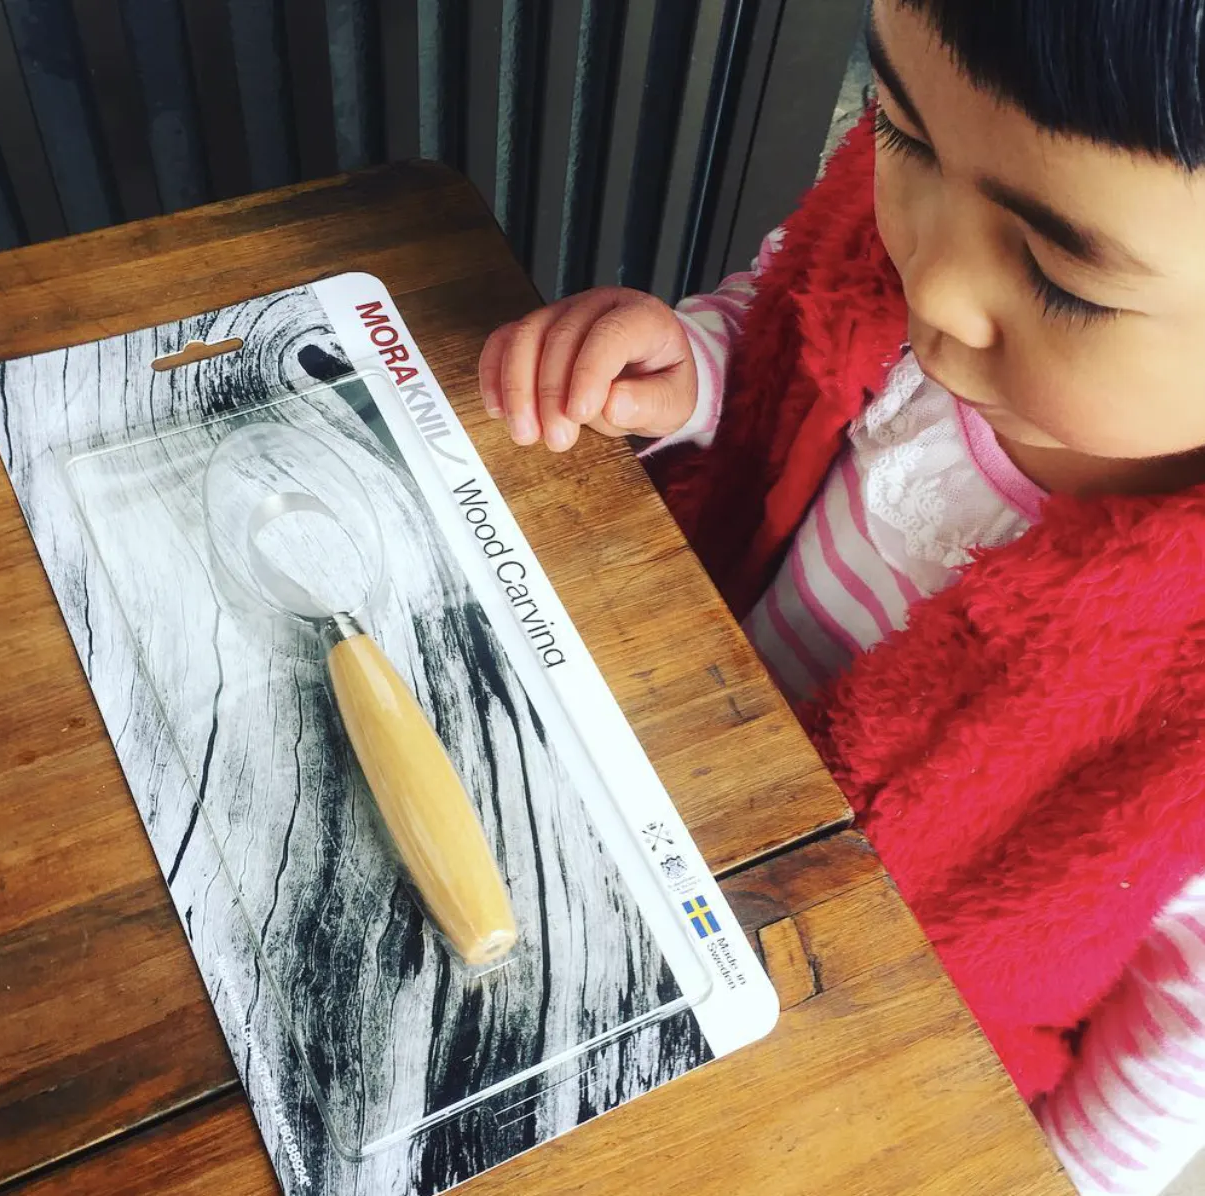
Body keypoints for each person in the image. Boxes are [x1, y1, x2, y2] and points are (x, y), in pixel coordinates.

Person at [478, 1, 1205, 1192]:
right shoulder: (899, 239)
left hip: (835, 1059)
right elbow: (770, 325)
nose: (934, 284)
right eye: (901, 131)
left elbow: (1175, 1036)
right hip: (631, 788)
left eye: (1061, 274)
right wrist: (684, 368)